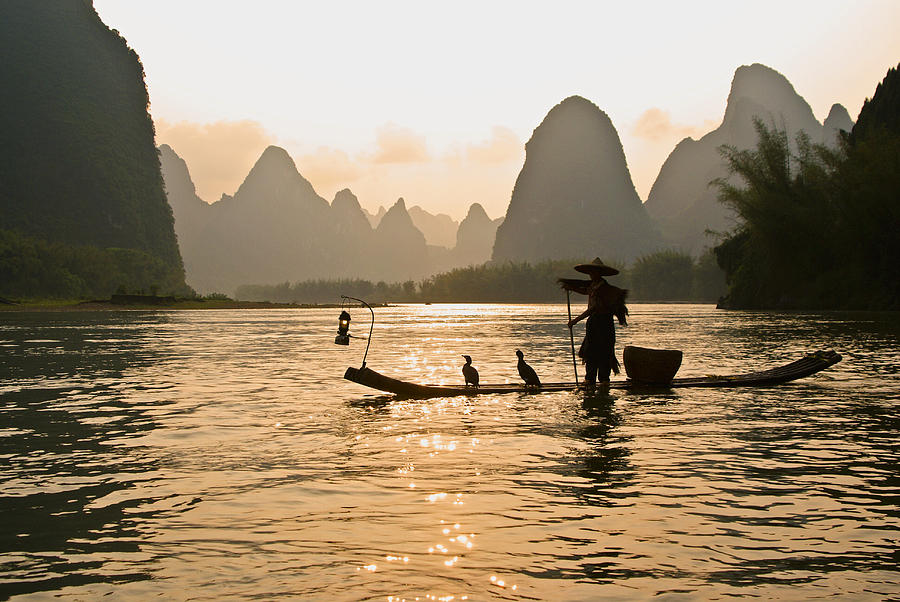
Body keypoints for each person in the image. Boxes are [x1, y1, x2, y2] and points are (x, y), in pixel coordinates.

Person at [559, 258, 628, 386]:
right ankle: (590, 379)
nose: (591, 274)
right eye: (590, 272)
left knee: (604, 352)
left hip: (603, 324)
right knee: (590, 352)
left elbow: (593, 308)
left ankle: (603, 380)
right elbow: (586, 291)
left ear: (599, 273)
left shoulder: (605, 289)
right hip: (593, 324)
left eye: (593, 272)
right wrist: (571, 288)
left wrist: (574, 321)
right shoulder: (593, 286)